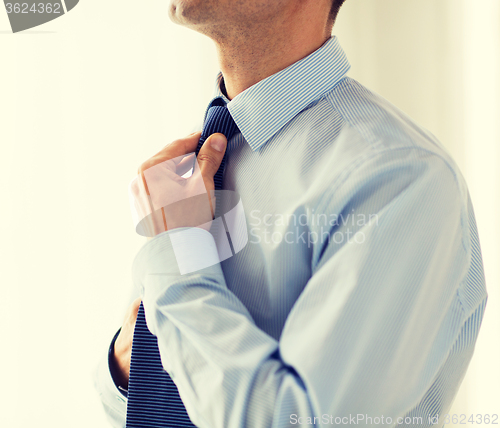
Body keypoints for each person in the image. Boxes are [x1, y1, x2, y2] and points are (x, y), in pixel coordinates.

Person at [94, 0, 488, 427]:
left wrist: (177, 256)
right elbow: (131, 398)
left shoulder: (402, 178)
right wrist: (128, 364)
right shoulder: (199, 167)